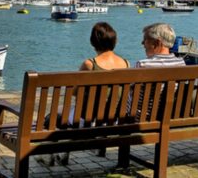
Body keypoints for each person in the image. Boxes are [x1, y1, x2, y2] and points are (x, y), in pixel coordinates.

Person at [37, 22, 129, 167]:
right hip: (114, 120)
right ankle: (72, 151)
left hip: (88, 120)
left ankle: (50, 155)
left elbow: (74, 92)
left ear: (93, 42)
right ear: (114, 41)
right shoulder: (125, 63)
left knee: (53, 115)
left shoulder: (89, 64)